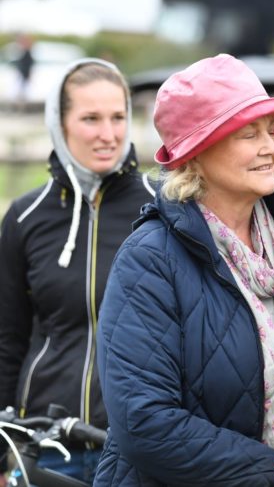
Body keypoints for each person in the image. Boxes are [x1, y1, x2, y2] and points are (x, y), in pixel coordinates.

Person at [93, 54, 274, 487]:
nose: (272, 147)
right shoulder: (150, 259)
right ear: (198, 149)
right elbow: (144, 420)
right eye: (249, 134)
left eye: (271, 131)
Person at [0, 58, 155, 484]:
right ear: (60, 122)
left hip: (136, 450)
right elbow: (7, 338)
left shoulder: (163, 209)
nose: (108, 134)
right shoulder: (24, 217)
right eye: (90, 119)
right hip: (46, 446)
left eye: (118, 117)